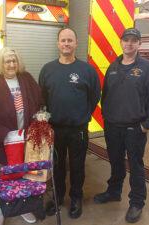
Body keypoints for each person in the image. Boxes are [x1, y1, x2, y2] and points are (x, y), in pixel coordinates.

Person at [93, 28, 149, 223]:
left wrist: (146, 125)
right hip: (112, 126)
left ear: (139, 44)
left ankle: (137, 202)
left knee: (136, 165)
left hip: (135, 128)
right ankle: (114, 191)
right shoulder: (113, 67)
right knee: (115, 162)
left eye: (134, 40)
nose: (129, 43)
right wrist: (107, 118)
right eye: (126, 40)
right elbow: (105, 95)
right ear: (121, 42)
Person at [0, 47, 42, 225]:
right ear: (0, 64)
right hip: (0, 142)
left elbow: (40, 102)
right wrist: (2, 133)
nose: (11, 64)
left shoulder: (26, 79)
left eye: (14, 60)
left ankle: (24, 208)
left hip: (25, 140)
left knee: (25, 175)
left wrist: (39, 119)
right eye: (7, 61)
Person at [39, 26, 101, 219]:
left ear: (76, 44)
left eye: (70, 40)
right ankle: (57, 197)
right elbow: (42, 98)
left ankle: (76, 198)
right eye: (63, 40)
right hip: (54, 129)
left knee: (77, 167)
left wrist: (80, 115)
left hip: (78, 130)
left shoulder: (87, 71)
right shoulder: (47, 69)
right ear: (58, 44)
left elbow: (94, 97)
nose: (66, 43)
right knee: (56, 167)